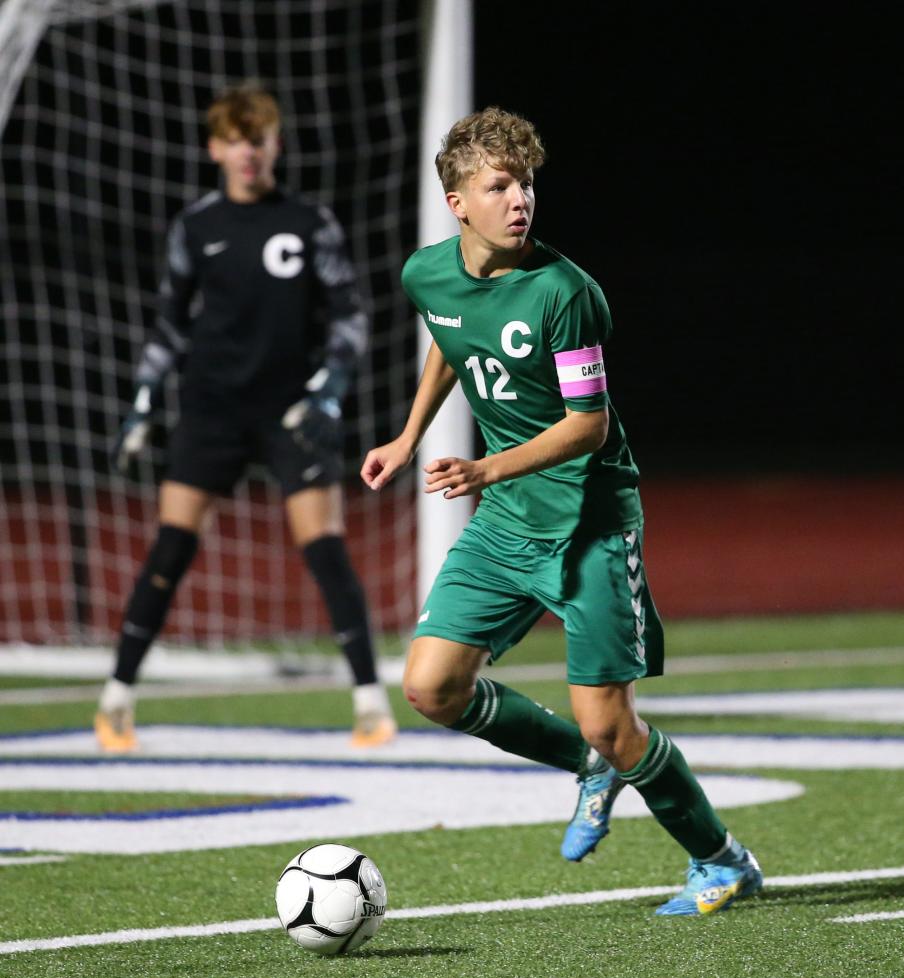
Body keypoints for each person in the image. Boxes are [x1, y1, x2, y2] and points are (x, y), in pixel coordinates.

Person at [361, 106, 762, 915]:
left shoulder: (566, 292)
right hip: (508, 517)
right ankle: (588, 768)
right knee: (432, 686)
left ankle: (721, 858)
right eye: (499, 185)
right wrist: (409, 435)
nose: (520, 201)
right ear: (457, 202)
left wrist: (483, 464)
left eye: (527, 184)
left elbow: (590, 424)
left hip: (589, 522)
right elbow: (452, 332)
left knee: (614, 724)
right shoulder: (425, 274)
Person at [96, 83, 396, 753]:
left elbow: (349, 313)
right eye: (234, 140)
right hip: (211, 407)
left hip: (290, 408)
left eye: (256, 139)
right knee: (172, 547)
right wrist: (145, 394)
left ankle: (371, 707)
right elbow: (170, 327)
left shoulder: (309, 222)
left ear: (274, 144)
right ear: (215, 148)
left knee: (324, 549)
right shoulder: (196, 227)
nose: (247, 153)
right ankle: (115, 702)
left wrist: (328, 390)